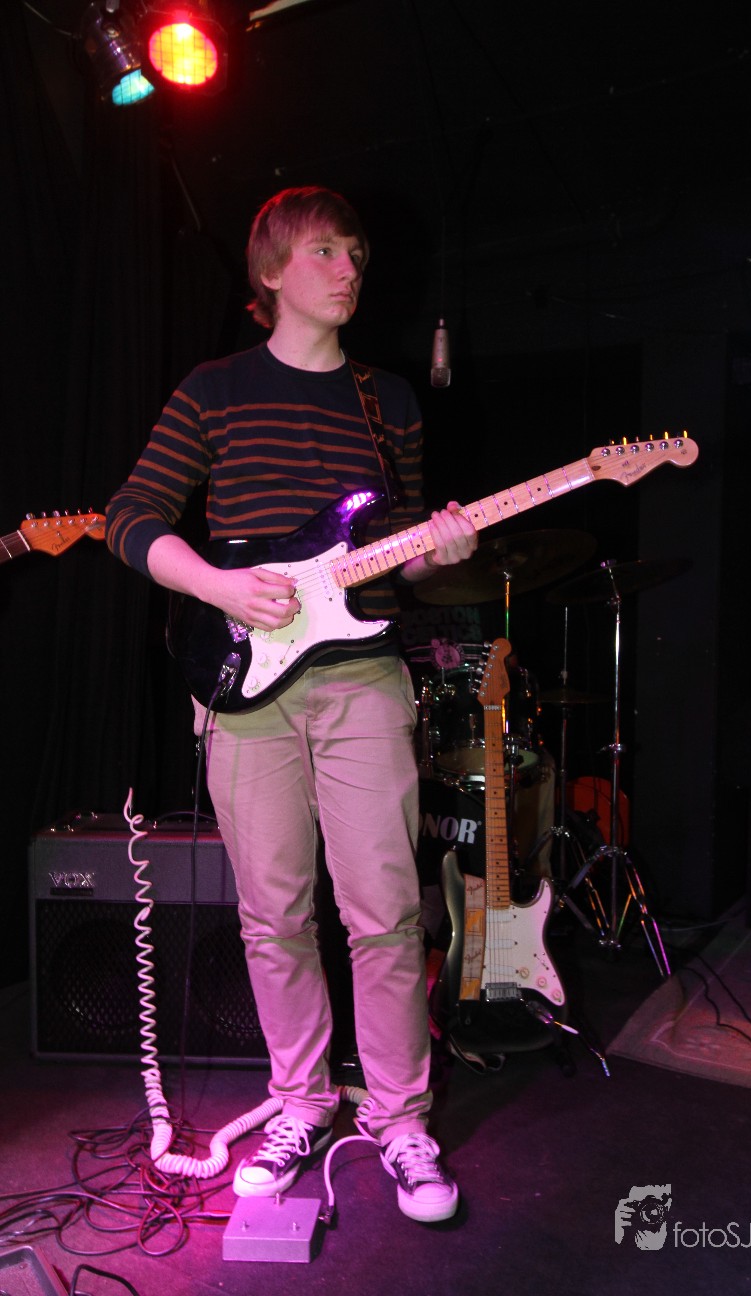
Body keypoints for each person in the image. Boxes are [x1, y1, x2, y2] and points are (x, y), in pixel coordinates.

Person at [105, 185, 478, 1223]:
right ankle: (300, 1101)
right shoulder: (215, 388)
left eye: (355, 250)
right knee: (274, 916)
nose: (349, 266)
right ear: (270, 273)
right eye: (324, 251)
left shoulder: (388, 400)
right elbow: (131, 517)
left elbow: (398, 557)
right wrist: (218, 586)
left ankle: (400, 1118)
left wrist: (442, 549)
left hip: (363, 678)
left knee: (386, 912)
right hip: (245, 688)